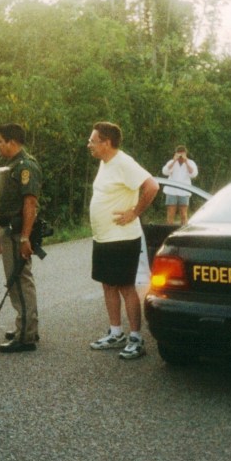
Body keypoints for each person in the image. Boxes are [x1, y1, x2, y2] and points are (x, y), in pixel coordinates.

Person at [86, 121, 159, 360]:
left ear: (107, 143)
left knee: (126, 286)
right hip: (104, 238)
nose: (89, 145)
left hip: (123, 238)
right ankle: (116, 333)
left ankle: (136, 338)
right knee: (108, 284)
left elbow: (152, 186)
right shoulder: (105, 162)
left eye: (93, 141)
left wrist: (134, 212)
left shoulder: (124, 162)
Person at [0, 123, 44, 354]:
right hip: (7, 230)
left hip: (17, 232)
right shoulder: (9, 164)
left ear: (12, 142)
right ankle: (26, 325)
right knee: (16, 281)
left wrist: (24, 238)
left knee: (19, 280)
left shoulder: (25, 166)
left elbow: (29, 203)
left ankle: (26, 336)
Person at [160, 145, 198, 225]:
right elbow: (165, 172)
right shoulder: (171, 162)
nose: (180, 156)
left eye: (182, 154)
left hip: (184, 191)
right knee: (170, 214)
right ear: (176, 153)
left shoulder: (191, 162)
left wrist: (186, 162)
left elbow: (193, 174)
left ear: (185, 153)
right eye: (179, 154)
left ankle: (184, 234)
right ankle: (168, 232)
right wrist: (174, 161)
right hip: (171, 191)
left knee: (184, 215)